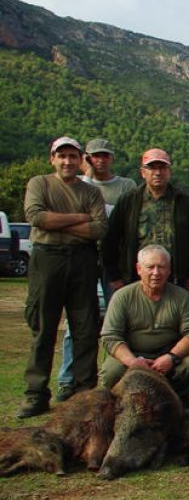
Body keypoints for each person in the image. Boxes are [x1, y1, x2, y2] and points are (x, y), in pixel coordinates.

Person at [18, 136, 107, 417]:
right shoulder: (39, 184)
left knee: (85, 327)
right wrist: (80, 218)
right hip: (47, 258)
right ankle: (36, 394)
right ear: (52, 158)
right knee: (43, 328)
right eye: (62, 156)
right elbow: (36, 217)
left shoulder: (90, 192)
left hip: (82, 260)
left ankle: (84, 392)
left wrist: (57, 221)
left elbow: (99, 229)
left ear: (80, 160)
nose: (67, 161)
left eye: (73, 156)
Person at [57, 138, 137, 400]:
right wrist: (87, 174)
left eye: (104, 156)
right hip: (83, 258)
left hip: (114, 263)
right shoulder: (78, 185)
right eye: (93, 156)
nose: (99, 160)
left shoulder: (126, 186)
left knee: (119, 322)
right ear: (85, 159)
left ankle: (114, 377)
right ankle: (69, 380)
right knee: (77, 322)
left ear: (112, 158)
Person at [99, 245, 189, 404]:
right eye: (150, 267)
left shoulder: (182, 297)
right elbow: (110, 337)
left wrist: (171, 357)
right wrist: (133, 362)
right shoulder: (122, 297)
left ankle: (178, 403)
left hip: (168, 354)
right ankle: (121, 404)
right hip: (132, 354)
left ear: (169, 270)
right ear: (139, 269)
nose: (156, 272)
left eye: (161, 267)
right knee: (111, 371)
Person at [102, 148, 189, 291]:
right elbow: (110, 240)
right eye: (152, 168)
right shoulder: (128, 201)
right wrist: (115, 277)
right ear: (143, 172)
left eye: (162, 168)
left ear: (169, 172)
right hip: (135, 280)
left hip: (176, 281)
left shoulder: (184, 202)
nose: (157, 173)